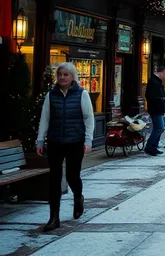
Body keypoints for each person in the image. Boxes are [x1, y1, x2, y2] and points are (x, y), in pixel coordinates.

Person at [36, 62, 94, 232]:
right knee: (54, 179)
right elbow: (45, 118)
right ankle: (54, 216)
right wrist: (40, 140)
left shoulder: (82, 94)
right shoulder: (51, 95)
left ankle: (78, 196)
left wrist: (88, 141)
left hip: (75, 141)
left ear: (72, 76)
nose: (62, 77)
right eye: (60, 74)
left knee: (72, 175)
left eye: (66, 74)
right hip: (55, 141)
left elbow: (89, 119)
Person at [145, 66, 165, 156]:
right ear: (161, 72)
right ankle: (149, 146)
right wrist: (162, 99)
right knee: (160, 128)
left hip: (159, 108)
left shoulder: (157, 82)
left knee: (158, 128)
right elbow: (150, 97)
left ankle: (154, 147)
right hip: (155, 109)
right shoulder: (153, 82)